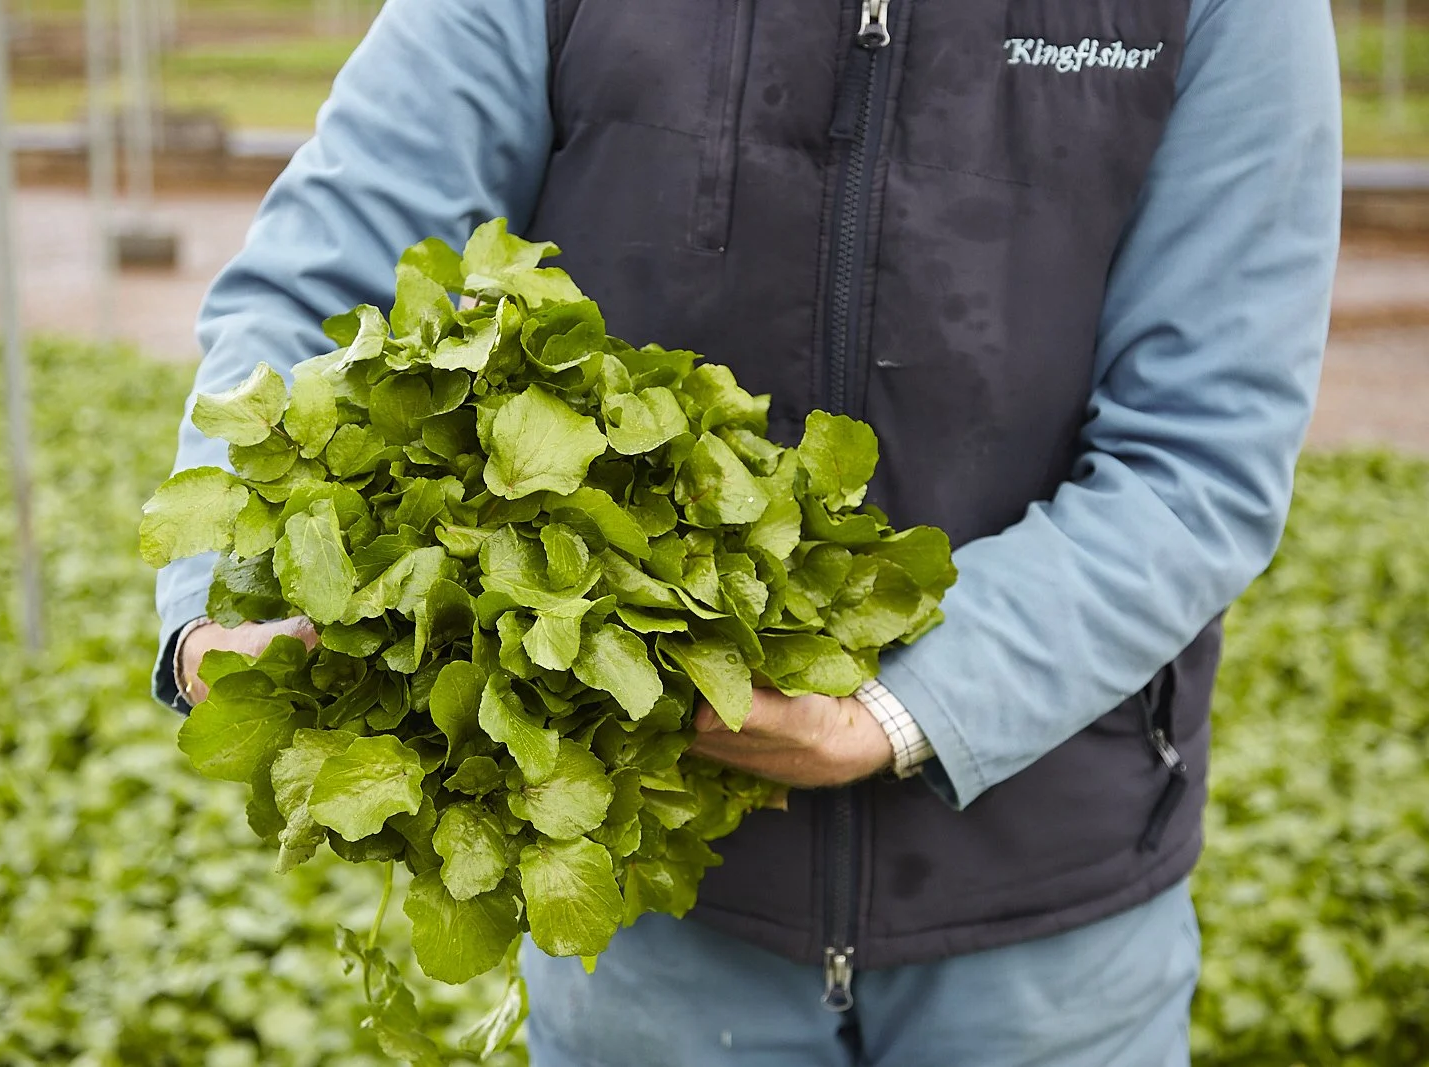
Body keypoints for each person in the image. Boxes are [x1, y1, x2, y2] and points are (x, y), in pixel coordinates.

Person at [152, 1, 1341, 1063]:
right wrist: (233, 594)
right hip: (646, 900)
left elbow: (1199, 451)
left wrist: (908, 699)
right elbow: (323, 285)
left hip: (1048, 922)